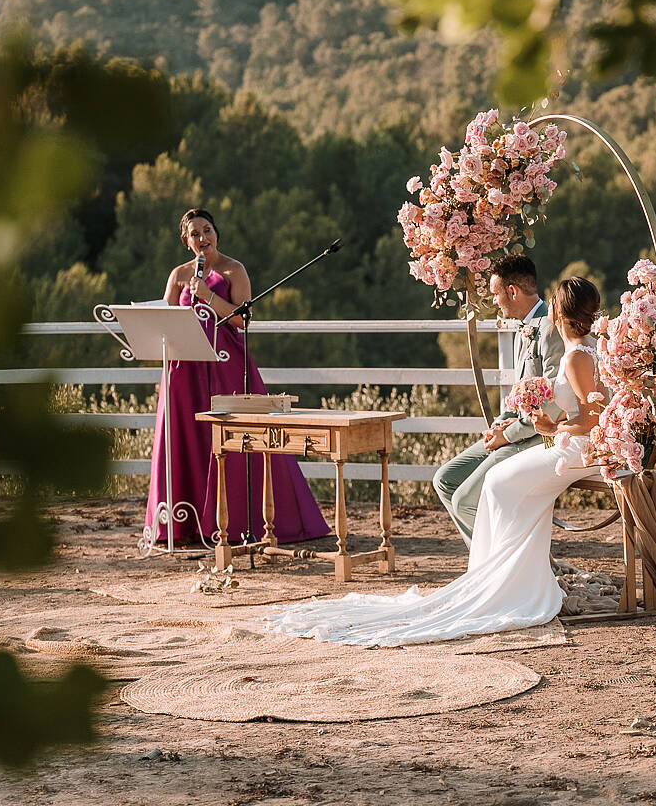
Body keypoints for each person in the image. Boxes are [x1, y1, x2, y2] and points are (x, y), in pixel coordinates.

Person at [267, 277, 606, 646]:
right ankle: (495, 577)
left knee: (500, 484)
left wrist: (551, 425)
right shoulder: (586, 348)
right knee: (495, 483)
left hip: (576, 448)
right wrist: (551, 425)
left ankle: (514, 583)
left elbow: (592, 418)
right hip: (568, 443)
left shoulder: (575, 357)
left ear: (558, 312)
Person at [143, 208, 330, 546]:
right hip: (183, 369)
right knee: (186, 438)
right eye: (195, 233)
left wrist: (207, 297)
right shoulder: (178, 275)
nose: (203, 238)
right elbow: (165, 319)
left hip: (226, 364)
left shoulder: (234, 269)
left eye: (208, 230)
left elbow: (243, 320)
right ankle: (185, 524)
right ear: (185, 241)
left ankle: (243, 522)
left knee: (234, 438)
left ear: (217, 232)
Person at [431, 254, 565, 545]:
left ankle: (503, 568)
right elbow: (518, 396)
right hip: (512, 431)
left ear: (513, 291)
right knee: (444, 480)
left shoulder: (550, 330)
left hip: (539, 438)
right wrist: (499, 425)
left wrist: (508, 435)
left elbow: (552, 406)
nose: (494, 302)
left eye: (495, 294)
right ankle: (488, 564)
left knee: (465, 501)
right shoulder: (522, 329)